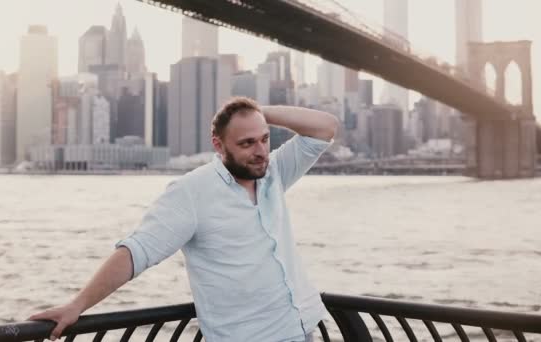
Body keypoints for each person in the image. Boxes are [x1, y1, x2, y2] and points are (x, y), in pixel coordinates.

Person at [29, 97, 339, 341]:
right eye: (246, 143)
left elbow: (325, 127)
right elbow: (137, 251)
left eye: (264, 139)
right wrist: (77, 306)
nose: (260, 151)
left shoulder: (274, 172)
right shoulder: (192, 192)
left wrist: (257, 112)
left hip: (301, 329)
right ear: (218, 145)